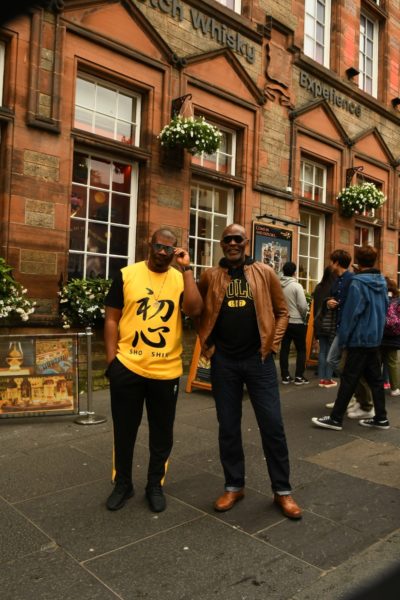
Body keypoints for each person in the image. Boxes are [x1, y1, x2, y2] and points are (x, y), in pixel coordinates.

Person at [198, 223, 302, 520]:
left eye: (238, 239)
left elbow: (282, 312)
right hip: (224, 363)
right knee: (228, 427)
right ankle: (234, 485)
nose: (233, 243)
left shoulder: (264, 273)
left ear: (246, 243)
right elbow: (196, 310)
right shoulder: (211, 276)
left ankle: (282, 491)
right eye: (228, 239)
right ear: (222, 244)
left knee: (273, 426)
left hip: (259, 362)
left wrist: (272, 343)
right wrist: (207, 344)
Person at [104, 228, 203, 512]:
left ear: (176, 252)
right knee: (124, 430)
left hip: (166, 370)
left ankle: (154, 484)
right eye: (159, 246)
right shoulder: (126, 274)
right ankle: (123, 484)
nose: (162, 252)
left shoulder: (180, 278)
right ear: (150, 244)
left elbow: (195, 311)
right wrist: (113, 361)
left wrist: (187, 270)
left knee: (162, 432)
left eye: (169, 249)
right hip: (128, 366)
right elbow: (111, 319)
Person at [312, 245, 389, 431]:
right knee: (375, 380)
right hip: (374, 338)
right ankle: (381, 418)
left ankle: (336, 419)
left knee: (349, 377)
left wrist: (344, 339)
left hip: (359, 338)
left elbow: (351, 314)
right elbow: (385, 308)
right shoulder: (382, 281)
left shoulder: (358, 283)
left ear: (358, 260)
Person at [279, 261, 309, 385]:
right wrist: (304, 317)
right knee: (301, 349)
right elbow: (302, 305)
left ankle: (285, 376)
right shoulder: (296, 286)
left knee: (284, 349)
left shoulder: (278, 285)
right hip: (297, 322)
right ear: (294, 272)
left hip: (284, 321)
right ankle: (299, 376)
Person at [313, 266, 337, 388]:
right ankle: (328, 378)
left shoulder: (318, 287)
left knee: (322, 351)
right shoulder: (334, 288)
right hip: (330, 322)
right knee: (330, 352)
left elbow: (315, 307)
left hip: (319, 322)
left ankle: (321, 379)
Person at [380, 277, 400, 397]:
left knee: (377, 362)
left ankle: (376, 386)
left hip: (380, 334)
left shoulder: (380, 298)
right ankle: (395, 388)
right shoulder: (398, 300)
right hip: (394, 335)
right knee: (393, 362)